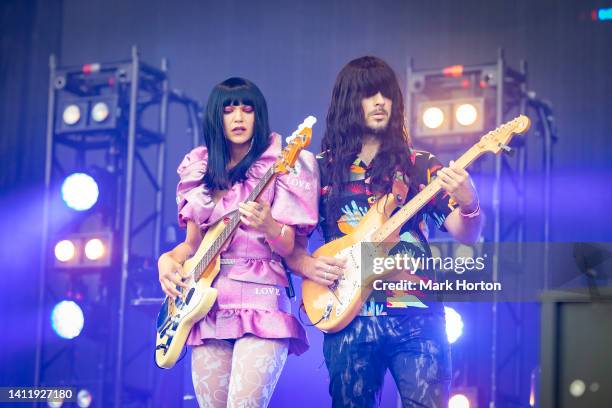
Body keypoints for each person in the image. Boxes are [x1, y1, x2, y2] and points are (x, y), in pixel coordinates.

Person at [285, 56, 483, 408]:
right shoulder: (319, 169)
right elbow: (291, 246)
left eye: (386, 94)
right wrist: (307, 266)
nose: (380, 102)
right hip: (349, 312)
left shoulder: (420, 164)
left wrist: (470, 204)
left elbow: (466, 233)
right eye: (369, 94)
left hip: (416, 312)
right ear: (349, 102)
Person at [157, 77, 319, 408]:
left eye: (248, 109)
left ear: (259, 115)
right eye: (229, 110)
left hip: (263, 295)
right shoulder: (201, 168)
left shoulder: (282, 164)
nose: (239, 118)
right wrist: (166, 261)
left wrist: (270, 225)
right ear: (217, 118)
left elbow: (291, 248)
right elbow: (191, 245)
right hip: (206, 304)